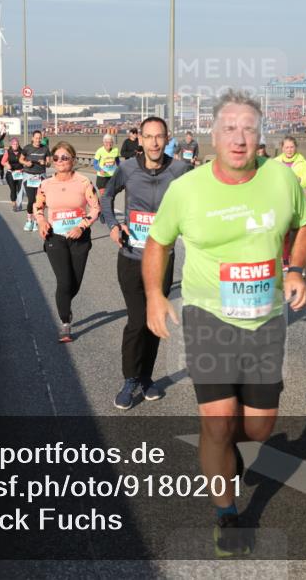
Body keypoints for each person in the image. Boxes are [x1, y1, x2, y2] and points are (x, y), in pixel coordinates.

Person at [144, 89, 306, 557]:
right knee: (219, 422)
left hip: (264, 322)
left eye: (249, 130)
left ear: (260, 137)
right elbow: (158, 243)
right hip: (208, 318)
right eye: (230, 129)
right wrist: (156, 296)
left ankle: (221, 445)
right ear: (214, 135)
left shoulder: (282, 180)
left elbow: (303, 224)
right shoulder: (187, 188)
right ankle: (227, 512)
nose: (239, 139)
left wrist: (295, 268)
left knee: (258, 429)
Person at [99, 116, 191, 410]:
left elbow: (199, 202)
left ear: (167, 139)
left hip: (163, 260)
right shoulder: (127, 168)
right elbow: (106, 196)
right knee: (138, 320)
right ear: (139, 139)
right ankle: (130, 380)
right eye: (148, 136)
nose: (153, 142)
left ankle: (147, 378)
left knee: (155, 321)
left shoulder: (180, 170)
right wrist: (113, 224)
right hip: (131, 258)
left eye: (159, 137)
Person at [35, 142, 102, 343]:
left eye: (64, 157)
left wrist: (82, 226)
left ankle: (64, 304)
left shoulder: (83, 183)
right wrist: (41, 221)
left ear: (72, 159)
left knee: (75, 283)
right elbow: (37, 206)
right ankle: (65, 323)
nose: (60, 161)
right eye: (56, 158)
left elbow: (95, 208)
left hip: (79, 237)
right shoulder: (45, 184)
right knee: (63, 281)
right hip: (55, 237)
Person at [278, 136, 306, 269]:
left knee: (296, 232)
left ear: (296, 147)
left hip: (296, 201)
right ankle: (285, 259)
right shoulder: (276, 162)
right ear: (282, 148)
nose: (289, 150)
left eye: (292, 147)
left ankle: (292, 257)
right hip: (280, 202)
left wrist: (300, 180)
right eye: (287, 147)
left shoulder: (301, 161)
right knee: (284, 231)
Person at [19, 130, 52, 232]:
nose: (38, 140)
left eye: (40, 138)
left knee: (39, 201)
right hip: (29, 176)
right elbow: (21, 159)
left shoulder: (45, 148)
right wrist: (26, 163)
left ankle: (37, 221)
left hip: (40, 177)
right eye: (36, 138)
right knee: (31, 200)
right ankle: (29, 220)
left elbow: (49, 163)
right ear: (33, 138)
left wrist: (44, 163)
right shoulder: (27, 148)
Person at [2, 138, 25, 211]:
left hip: (20, 173)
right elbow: (2, 161)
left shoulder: (22, 152)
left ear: (18, 145)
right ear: (11, 145)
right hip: (11, 173)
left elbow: (26, 160)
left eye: (17, 144)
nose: (15, 145)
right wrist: (6, 164)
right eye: (14, 144)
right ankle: (14, 204)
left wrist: (25, 167)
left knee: (20, 189)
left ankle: (19, 204)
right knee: (13, 189)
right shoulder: (8, 152)